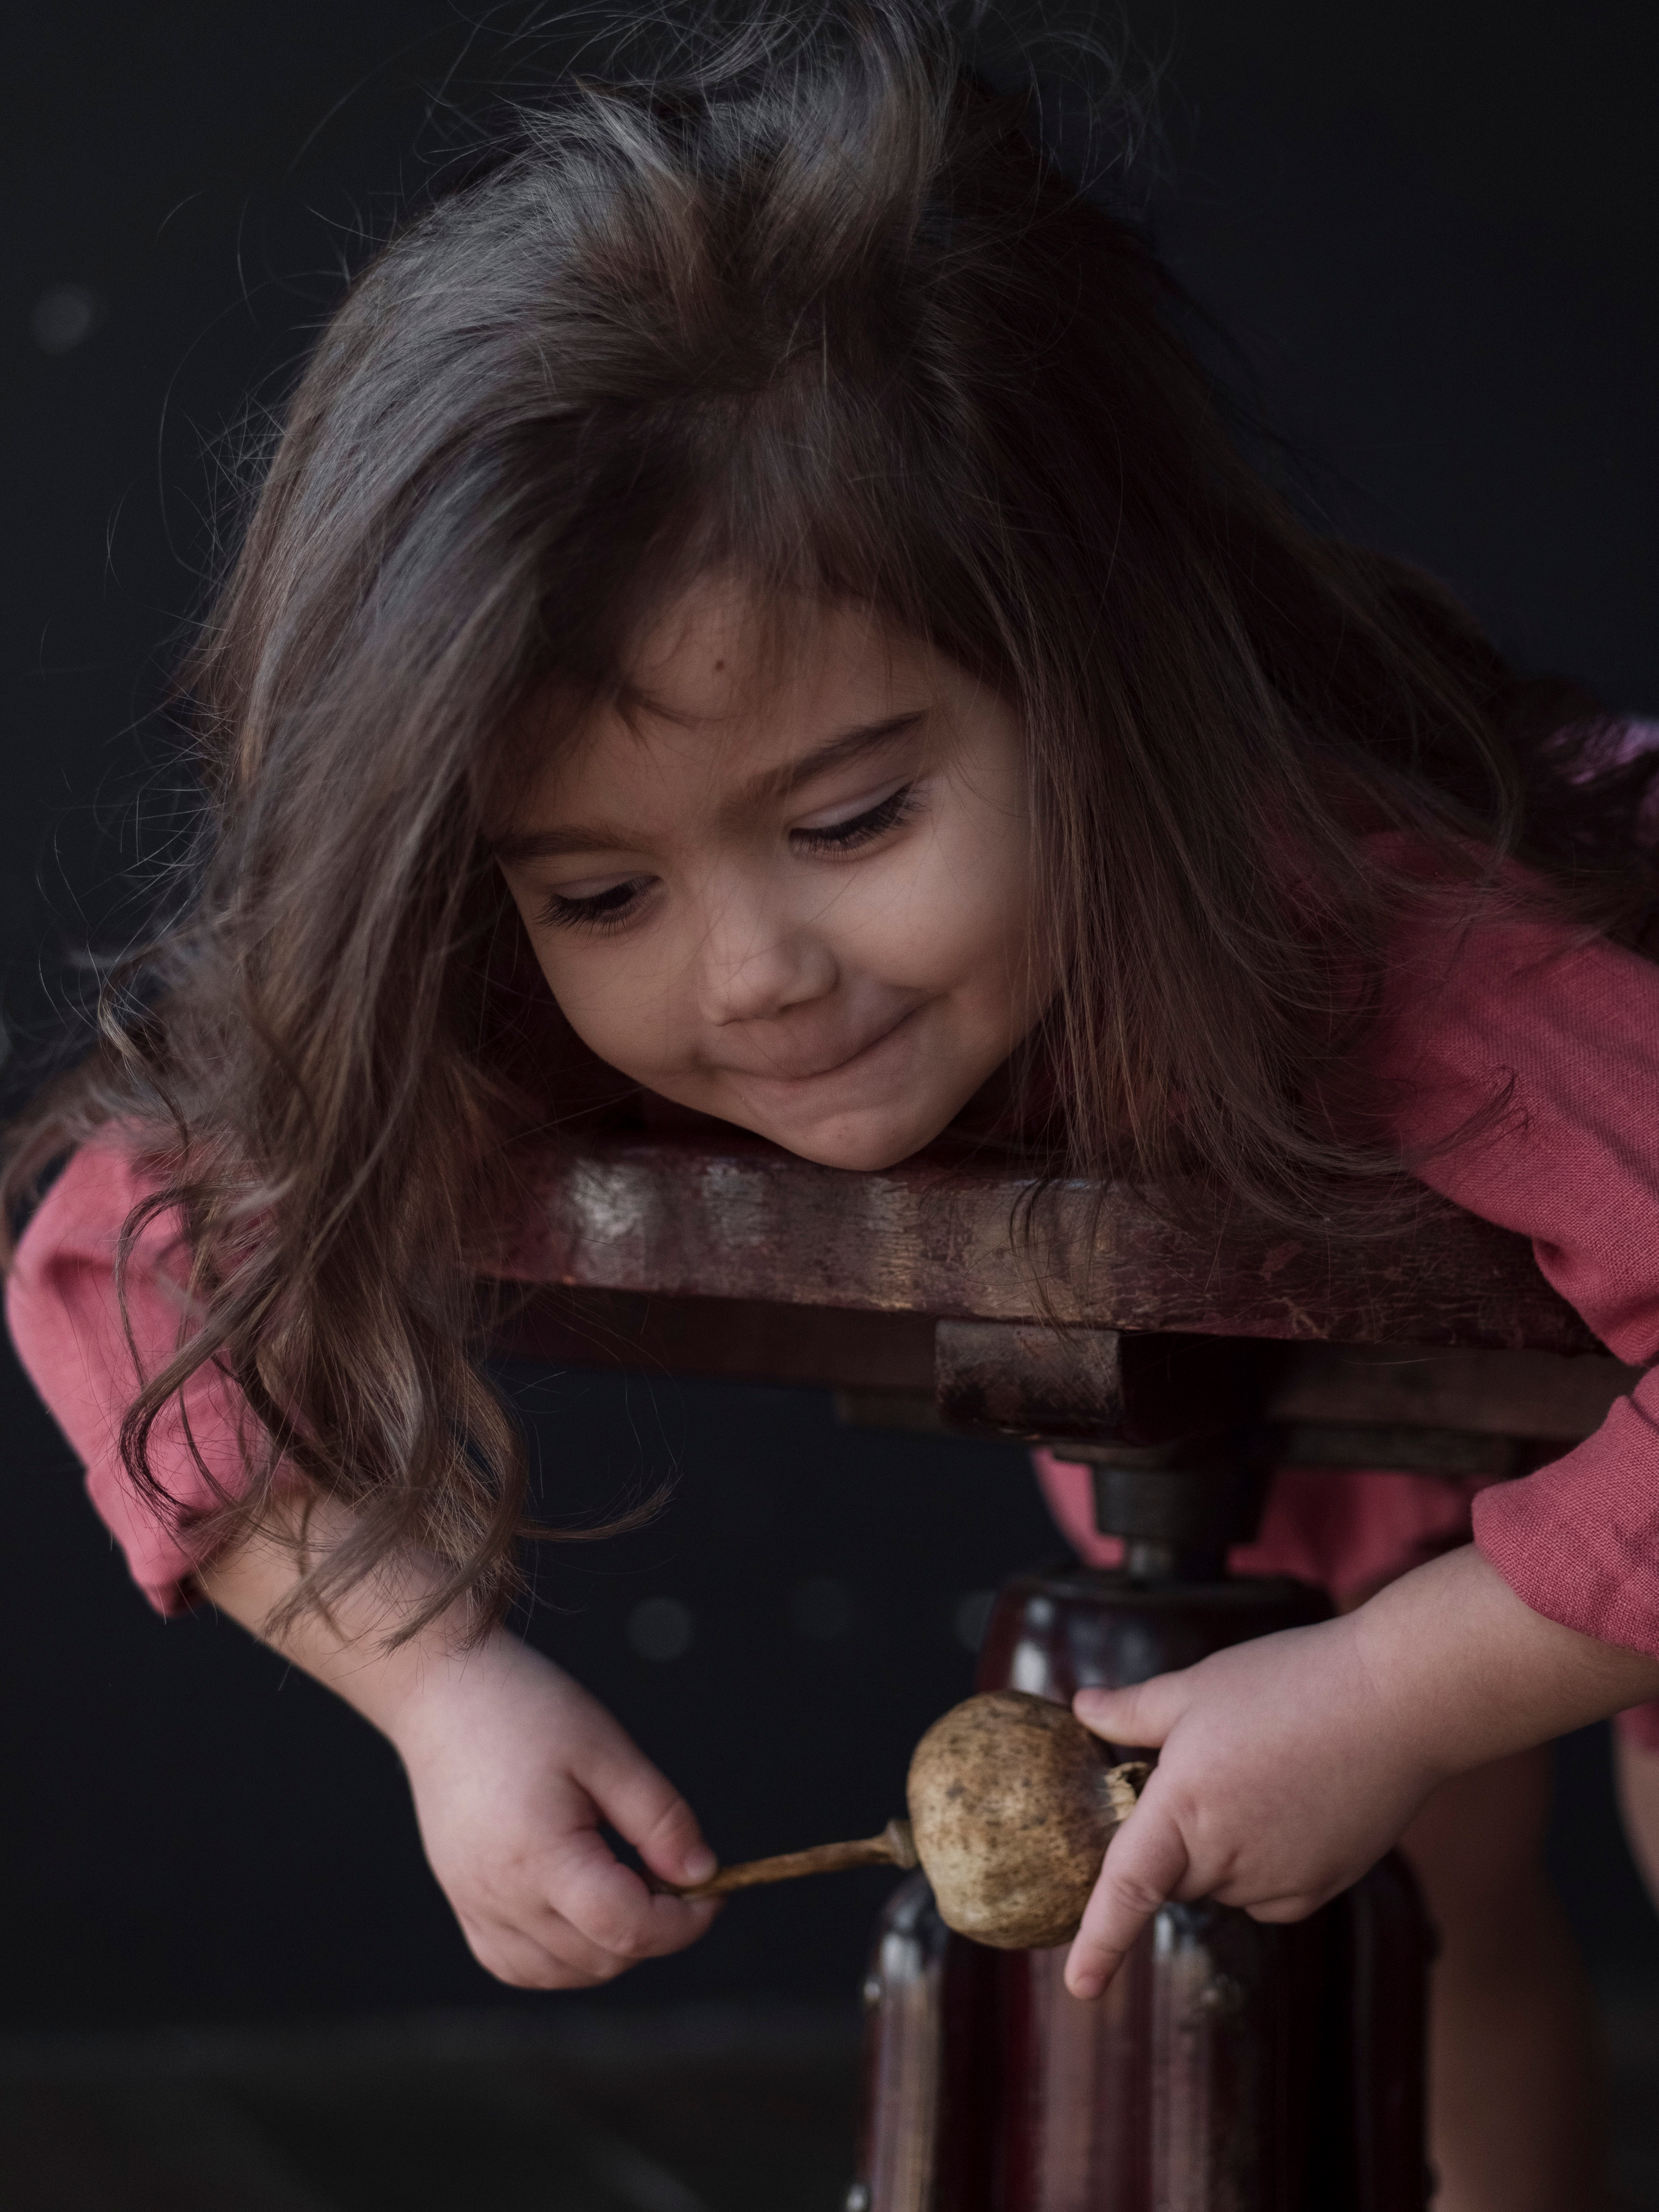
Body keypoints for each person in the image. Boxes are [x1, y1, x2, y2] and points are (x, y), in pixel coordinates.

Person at [6, 8, 1658, 2205]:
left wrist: (1408, 1684)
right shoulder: (507, 973)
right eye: (604, 887)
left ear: (1090, 686)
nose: (749, 975)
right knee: (1396, 1885)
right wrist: (442, 1696)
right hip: (1299, 1400)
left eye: (857, 817)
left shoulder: (1408, 940)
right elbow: (126, 1238)